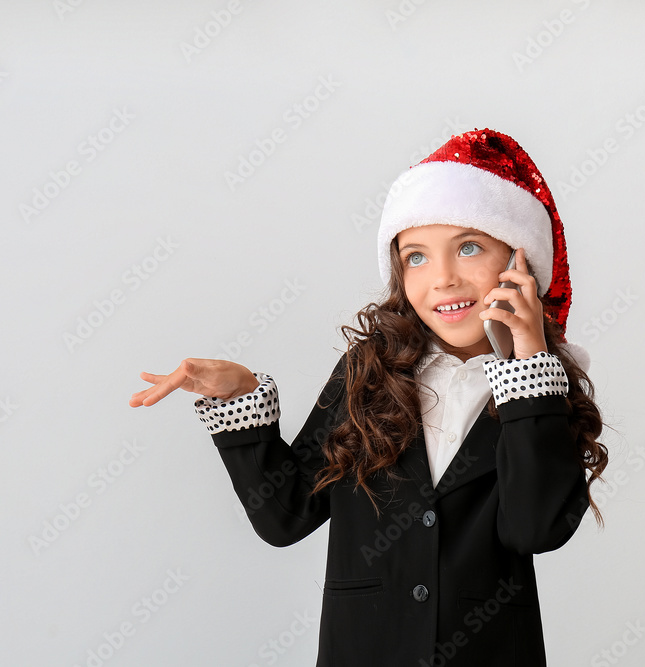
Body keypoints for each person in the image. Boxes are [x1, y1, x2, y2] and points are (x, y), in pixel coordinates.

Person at [129, 128, 608, 666]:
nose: (443, 279)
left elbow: (534, 529)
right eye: (417, 257)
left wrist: (528, 372)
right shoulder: (370, 371)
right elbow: (287, 517)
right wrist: (241, 405)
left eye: (469, 247)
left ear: (523, 263)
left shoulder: (543, 393)